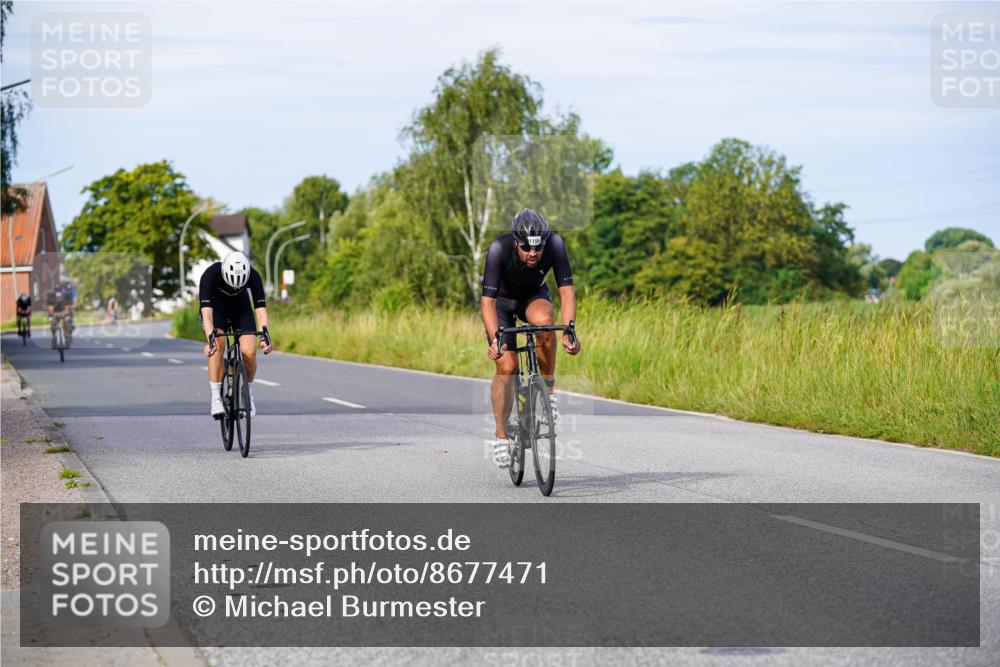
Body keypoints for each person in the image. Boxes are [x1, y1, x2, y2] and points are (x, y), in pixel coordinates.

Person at [480, 208, 581, 468]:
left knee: (546, 325)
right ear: (516, 242)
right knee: (508, 367)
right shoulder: (498, 249)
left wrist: (570, 330)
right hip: (501, 304)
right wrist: (495, 339)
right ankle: (502, 436)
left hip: (532, 297)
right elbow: (487, 302)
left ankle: (548, 393)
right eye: (526, 248)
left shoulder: (556, 245)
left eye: (538, 248)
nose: (533, 254)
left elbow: (567, 291)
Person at [199, 252, 272, 418]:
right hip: (216, 310)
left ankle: (247, 393)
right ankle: (216, 398)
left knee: (249, 351)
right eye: (232, 285)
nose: (235, 288)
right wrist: (210, 340)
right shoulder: (210, 275)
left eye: (239, 286)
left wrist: (264, 337)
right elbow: (207, 314)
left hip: (241, 309)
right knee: (218, 343)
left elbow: (260, 312)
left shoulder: (253, 276)